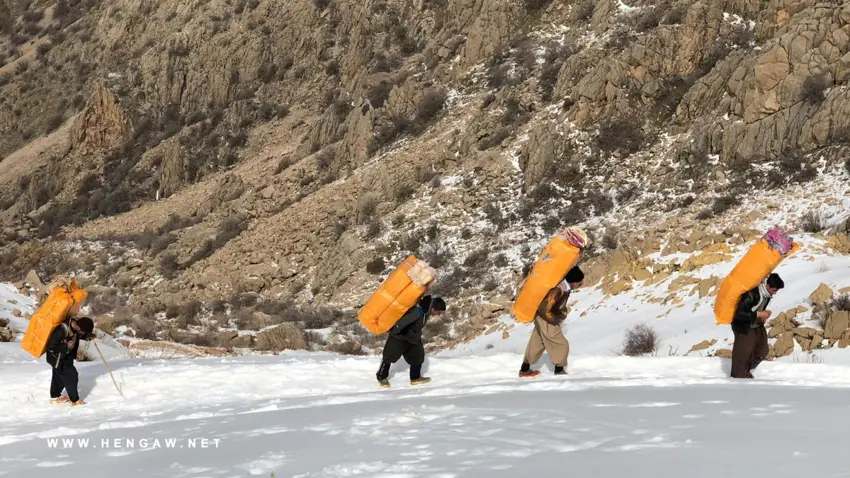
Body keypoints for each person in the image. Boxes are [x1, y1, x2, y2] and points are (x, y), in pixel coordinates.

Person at [519, 266, 584, 378]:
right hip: (546, 318)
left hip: (542, 318)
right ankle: (559, 371)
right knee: (561, 344)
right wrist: (554, 320)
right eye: (579, 281)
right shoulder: (558, 289)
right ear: (573, 281)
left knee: (537, 343)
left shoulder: (564, 287)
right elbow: (544, 309)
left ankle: (524, 370)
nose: (581, 283)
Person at [376, 295, 446, 388]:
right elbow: (401, 323)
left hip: (413, 338)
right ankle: (381, 377)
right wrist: (395, 333)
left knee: (418, 356)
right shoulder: (418, 311)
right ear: (433, 308)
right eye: (438, 312)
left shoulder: (425, 312)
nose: (438, 314)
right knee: (389, 356)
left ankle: (415, 378)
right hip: (400, 337)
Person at [730, 273, 784, 379]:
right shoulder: (751, 294)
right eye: (774, 290)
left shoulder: (767, 295)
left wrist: (764, 314)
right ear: (767, 286)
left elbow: (758, 308)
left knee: (762, 351)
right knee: (742, 354)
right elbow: (739, 314)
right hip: (744, 326)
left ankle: (746, 371)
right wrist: (759, 314)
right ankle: (737, 379)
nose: (775, 293)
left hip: (756, 324)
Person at [46, 315, 95, 406]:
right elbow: (51, 346)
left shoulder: (76, 328)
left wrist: (88, 336)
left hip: (66, 356)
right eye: (83, 331)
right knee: (72, 376)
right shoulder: (61, 330)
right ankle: (75, 400)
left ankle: (55, 397)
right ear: (78, 327)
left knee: (58, 377)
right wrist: (66, 346)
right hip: (57, 358)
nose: (82, 333)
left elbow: (79, 335)